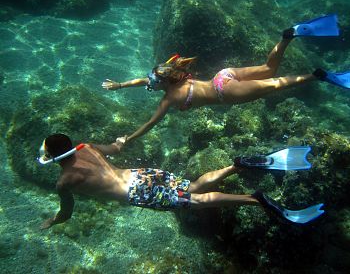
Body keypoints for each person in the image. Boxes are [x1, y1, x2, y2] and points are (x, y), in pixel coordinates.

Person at [101, 14, 348, 145]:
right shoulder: (175, 78)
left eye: (152, 82)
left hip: (225, 93)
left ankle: (318, 76)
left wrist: (128, 138)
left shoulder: (169, 98)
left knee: (275, 84)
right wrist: (120, 85)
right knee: (268, 68)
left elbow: (149, 125)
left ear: (163, 82)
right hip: (223, 75)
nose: (149, 84)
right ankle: (289, 35)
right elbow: (141, 81)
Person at [39, 134, 323, 229]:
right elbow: (115, 148)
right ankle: (235, 166)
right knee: (193, 187)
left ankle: (255, 199)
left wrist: (53, 221)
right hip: (142, 174)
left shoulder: (64, 181)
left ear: (53, 156)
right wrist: (119, 141)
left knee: (196, 202)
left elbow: (66, 213)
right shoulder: (87, 147)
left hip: (135, 193)